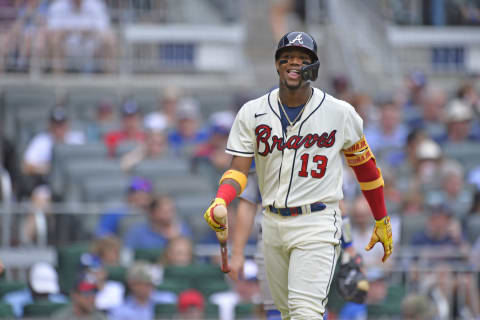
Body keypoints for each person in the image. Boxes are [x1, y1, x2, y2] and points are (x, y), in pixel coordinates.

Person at [203, 31, 393, 319]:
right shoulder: (252, 112)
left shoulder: (340, 113)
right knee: (287, 314)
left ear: (314, 68)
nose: (293, 63)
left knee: (306, 313)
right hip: (271, 224)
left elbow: (366, 170)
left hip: (317, 221)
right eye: (287, 58)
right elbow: (237, 170)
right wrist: (221, 199)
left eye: (303, 59)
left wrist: (381, 217)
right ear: (277, 64)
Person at [108, 261, 176, 320]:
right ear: (131, 284)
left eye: (149, 283)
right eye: (142, 283)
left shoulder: (167, 299)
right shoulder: (120, 311)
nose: (147, 287)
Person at [124, 194, 192, 250]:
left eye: (171, 211)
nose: (169, 215)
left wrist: (175, 239)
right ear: (152, 213)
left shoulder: (182, 230)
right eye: (164, 212)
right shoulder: (137, 233)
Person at [3, 262, 68, 318]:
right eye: (39, 292)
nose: (42, 295)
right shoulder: (11, 302)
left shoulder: (62, 302)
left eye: (46, 293)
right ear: (30, 284)